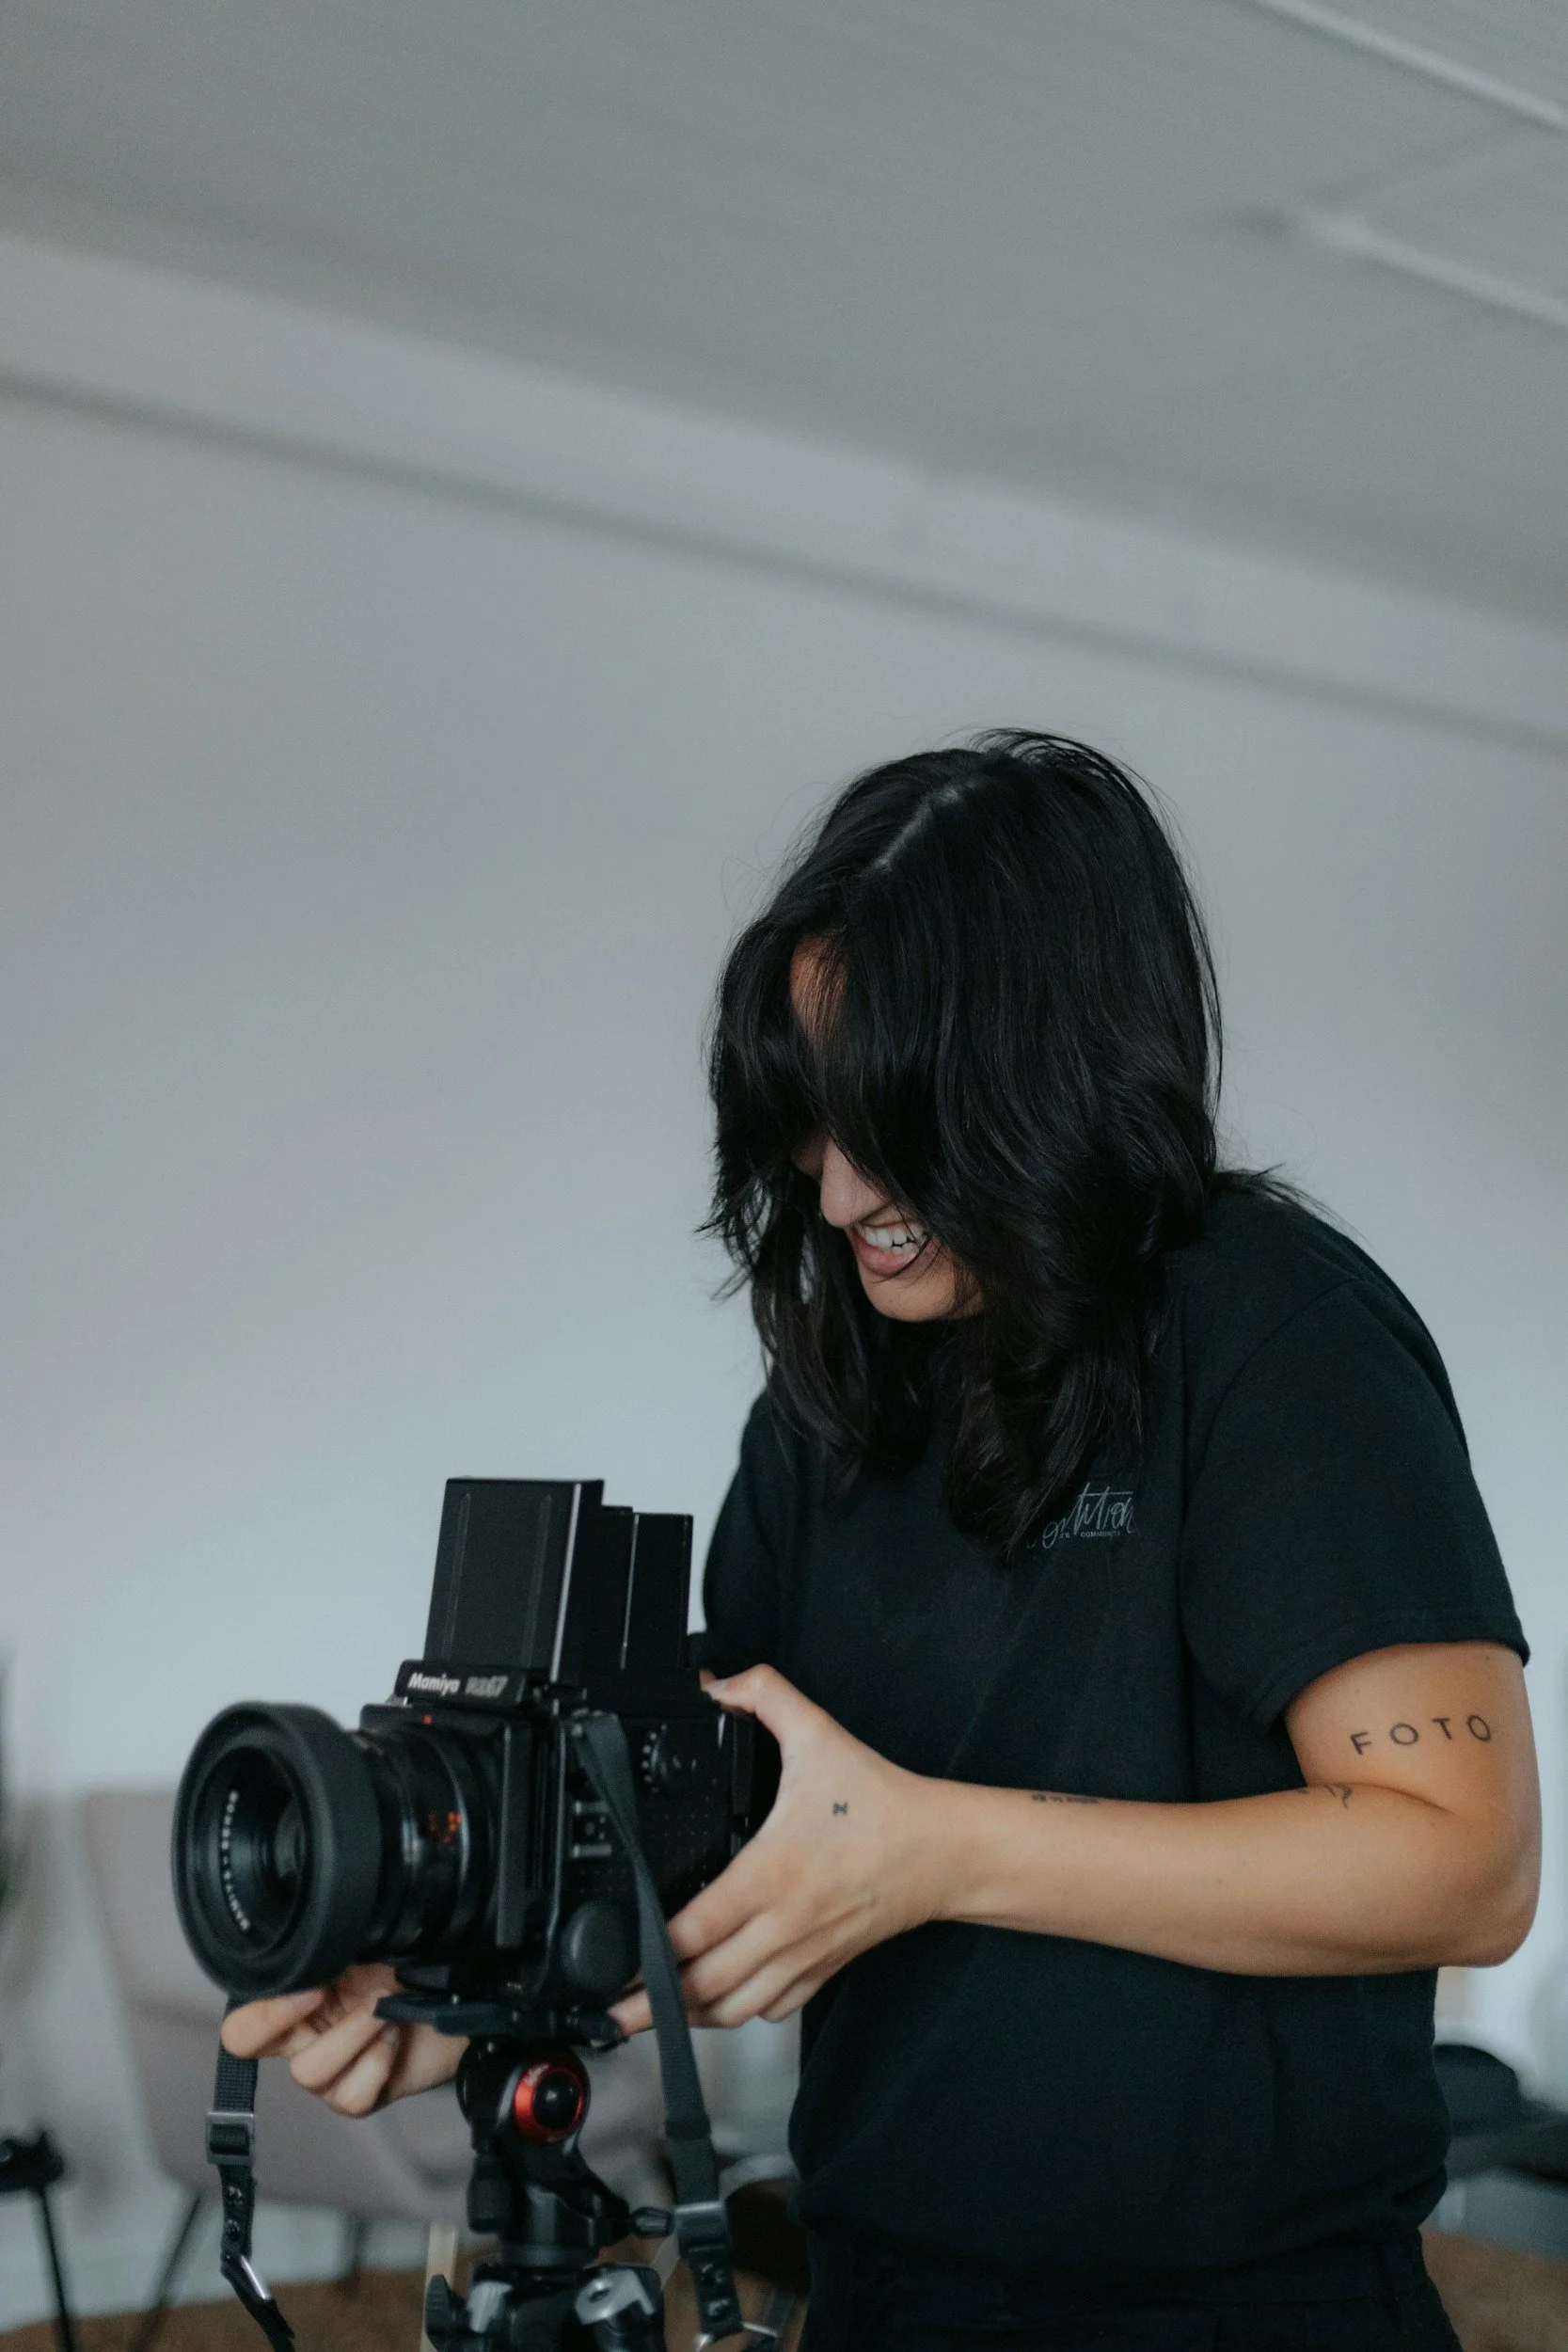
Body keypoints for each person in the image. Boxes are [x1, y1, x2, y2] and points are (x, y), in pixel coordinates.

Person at [225, 734, 1537, 2350]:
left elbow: (1462, 1858)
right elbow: (739, 1841)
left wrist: (944, 1849)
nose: (839, 1192)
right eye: (803, 1116)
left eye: (894, 1120)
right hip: (876, 2294)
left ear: (1051, 1075)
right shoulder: (833, 1397)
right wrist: (471, 1986)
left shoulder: (1271, 1330)